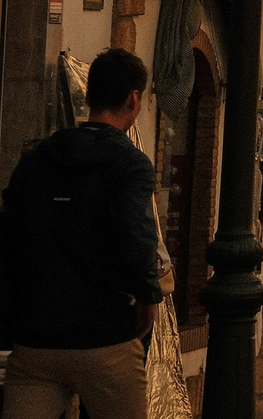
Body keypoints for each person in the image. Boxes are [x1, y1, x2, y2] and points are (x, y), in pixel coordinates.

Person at [0, 48, 162, 419]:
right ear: (134, 100)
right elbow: (135, 237)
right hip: (104, 339)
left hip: (36, 340)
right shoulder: (130, 165)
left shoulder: (36, 160)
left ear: (88, 96)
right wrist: (147, 296)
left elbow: (11, 235)